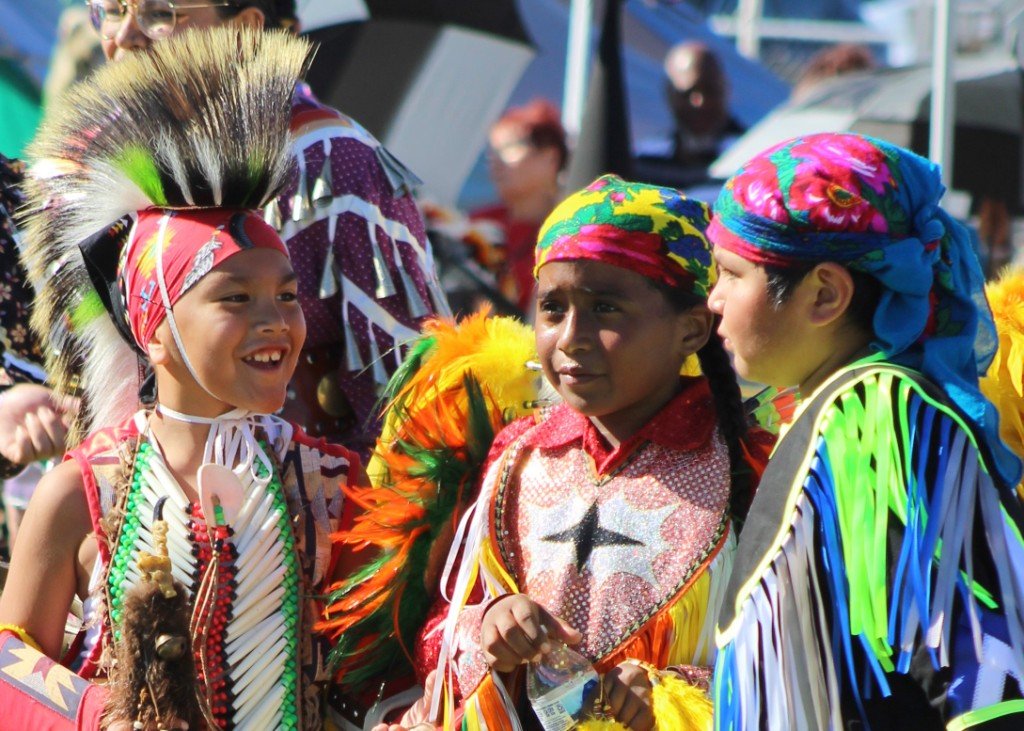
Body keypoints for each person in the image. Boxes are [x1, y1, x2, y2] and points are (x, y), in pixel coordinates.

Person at [0, 28, 365, 729]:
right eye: (236, 299)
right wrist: (96, 712)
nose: (276, 323)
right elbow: (11, 657)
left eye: (288, 297)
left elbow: (393, 667)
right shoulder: (81, 490)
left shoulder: (332, 484)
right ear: (153, 326)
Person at [418, 175, 770, 730]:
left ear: (692, 329)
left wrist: (678, 695)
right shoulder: (517, 456)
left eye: (606, 308)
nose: (572, 337)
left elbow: (795, 659)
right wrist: (488, 625)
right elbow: (437, 632)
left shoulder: (748, 468)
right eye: (553, 309)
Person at [706, 132, 1024, 729]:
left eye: (730, 274)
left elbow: (979, 670)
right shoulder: (836, 411)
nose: (713, 301)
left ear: (825, 293)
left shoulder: (877, 420)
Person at [76, 0, 449, 456]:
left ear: (246, 29)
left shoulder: (332, 163)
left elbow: (414, 404)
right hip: (139, 505)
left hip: (301, 508)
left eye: (160, 13)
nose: (126, 35)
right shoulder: (92, 163)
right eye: (111, 10)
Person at [471, 99, 569, 315]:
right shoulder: (477, 225)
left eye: (507, 148)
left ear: (549, 157)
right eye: (492, 152)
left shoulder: (572, 230)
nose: (495, 161)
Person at [635, 42, 744, 192]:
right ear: (669, 94)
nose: (700, 102)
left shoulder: (749, 157)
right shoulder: (645, 160)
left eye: (709, 90)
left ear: (725, 89)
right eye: (687, 93)